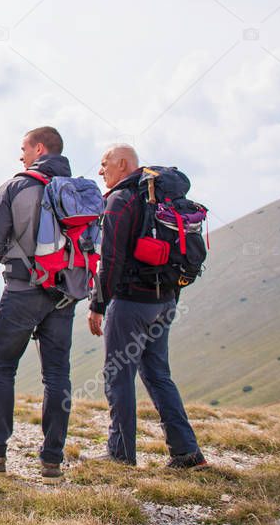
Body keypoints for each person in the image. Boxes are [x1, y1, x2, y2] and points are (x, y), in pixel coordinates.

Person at [0, 126, 75, 480]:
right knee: (56, 374)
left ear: (39, 148)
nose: (20, 155)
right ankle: (52, 459)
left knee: (2, 367)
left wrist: (16, 252)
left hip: (23, 289)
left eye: (23, 147)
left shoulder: (16, 186)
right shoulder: (79, 189)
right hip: (65, 294)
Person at [89, 144, 207, 469]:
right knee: (158, 374)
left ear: (123, 164)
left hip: (130, 303)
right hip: (165, 300)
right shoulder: (160, 199)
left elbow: (109, 260)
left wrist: (98, 304)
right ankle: (187, 453)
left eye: (104, 164)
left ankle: (120, 454)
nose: (100, 171)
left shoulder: (120, 201)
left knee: (118, 375)